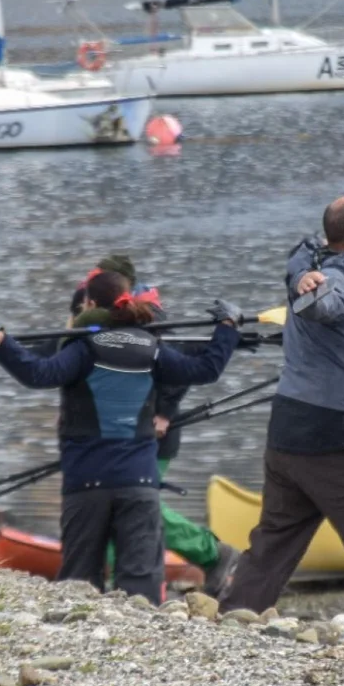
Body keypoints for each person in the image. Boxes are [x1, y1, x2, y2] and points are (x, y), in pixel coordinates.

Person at [0, 271, 241, 604]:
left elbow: (37, 373)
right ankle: (142, 641)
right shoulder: (151, 349)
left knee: (80, 585)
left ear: (89, 304)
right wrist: (227, 327)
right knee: (141, 588)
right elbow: (206, 369)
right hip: (139, 483)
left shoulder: (84, 348)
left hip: (86, 484)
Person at [219, 195, 344, 634]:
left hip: (289, 434)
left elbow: (303, 261)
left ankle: (232, 624)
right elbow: (324, 304)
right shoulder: (338, 279)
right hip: (343, 440)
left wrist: (298, 281)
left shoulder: (314, 262)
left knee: (274, 541)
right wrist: (309, 293)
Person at [69, 255, 241, 595]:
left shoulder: (147, 312)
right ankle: (125, 584)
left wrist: (165, 411)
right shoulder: (89, 305)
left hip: (153, 432)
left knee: (133, 507)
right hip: (108, 432)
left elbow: (182, 362)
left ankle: (207, 553)